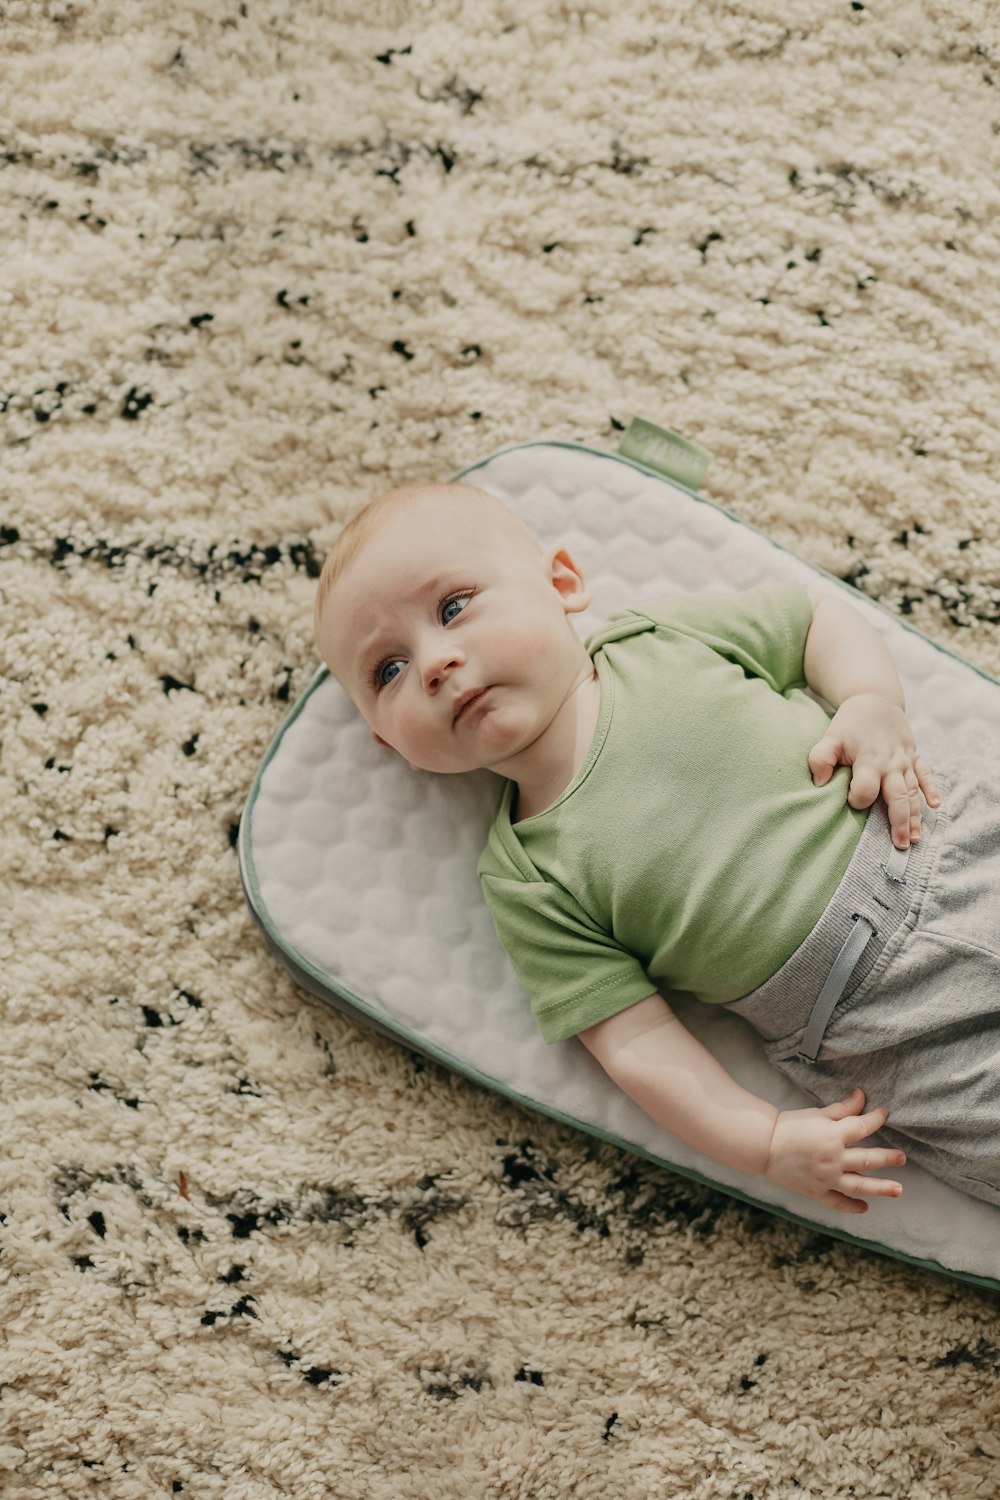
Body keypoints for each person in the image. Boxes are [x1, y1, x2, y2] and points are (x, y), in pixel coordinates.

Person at [313, 480, 1000, 1215]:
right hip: (871, 1020)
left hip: (938, 837)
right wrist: (761, 1140)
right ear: (394, 745)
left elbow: (812, 622)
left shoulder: (660, 640)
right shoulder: (526, 877)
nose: (433, 664)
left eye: (452, 608)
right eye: (388, 671)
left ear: (561, 584)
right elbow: (634, 1043)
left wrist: (871, 701)